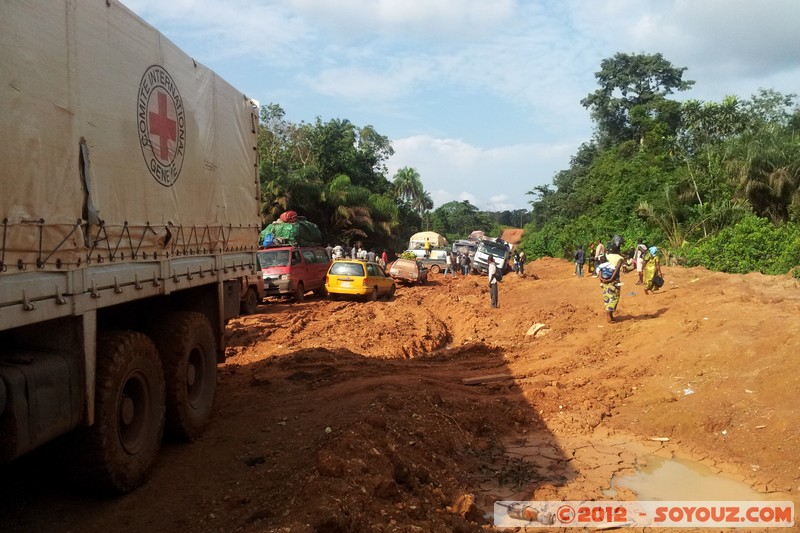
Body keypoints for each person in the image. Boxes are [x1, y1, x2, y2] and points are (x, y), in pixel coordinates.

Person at [599, 235, 624, 322]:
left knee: (607, 297)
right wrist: (611, 279)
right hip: (614, 281)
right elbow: (616, 270)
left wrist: (601, 278)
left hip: (604, 280)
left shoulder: (606, 256)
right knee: (614, 298)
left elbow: (601, 267)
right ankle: (609, 316)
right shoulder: (620, 258)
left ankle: (610, 315)